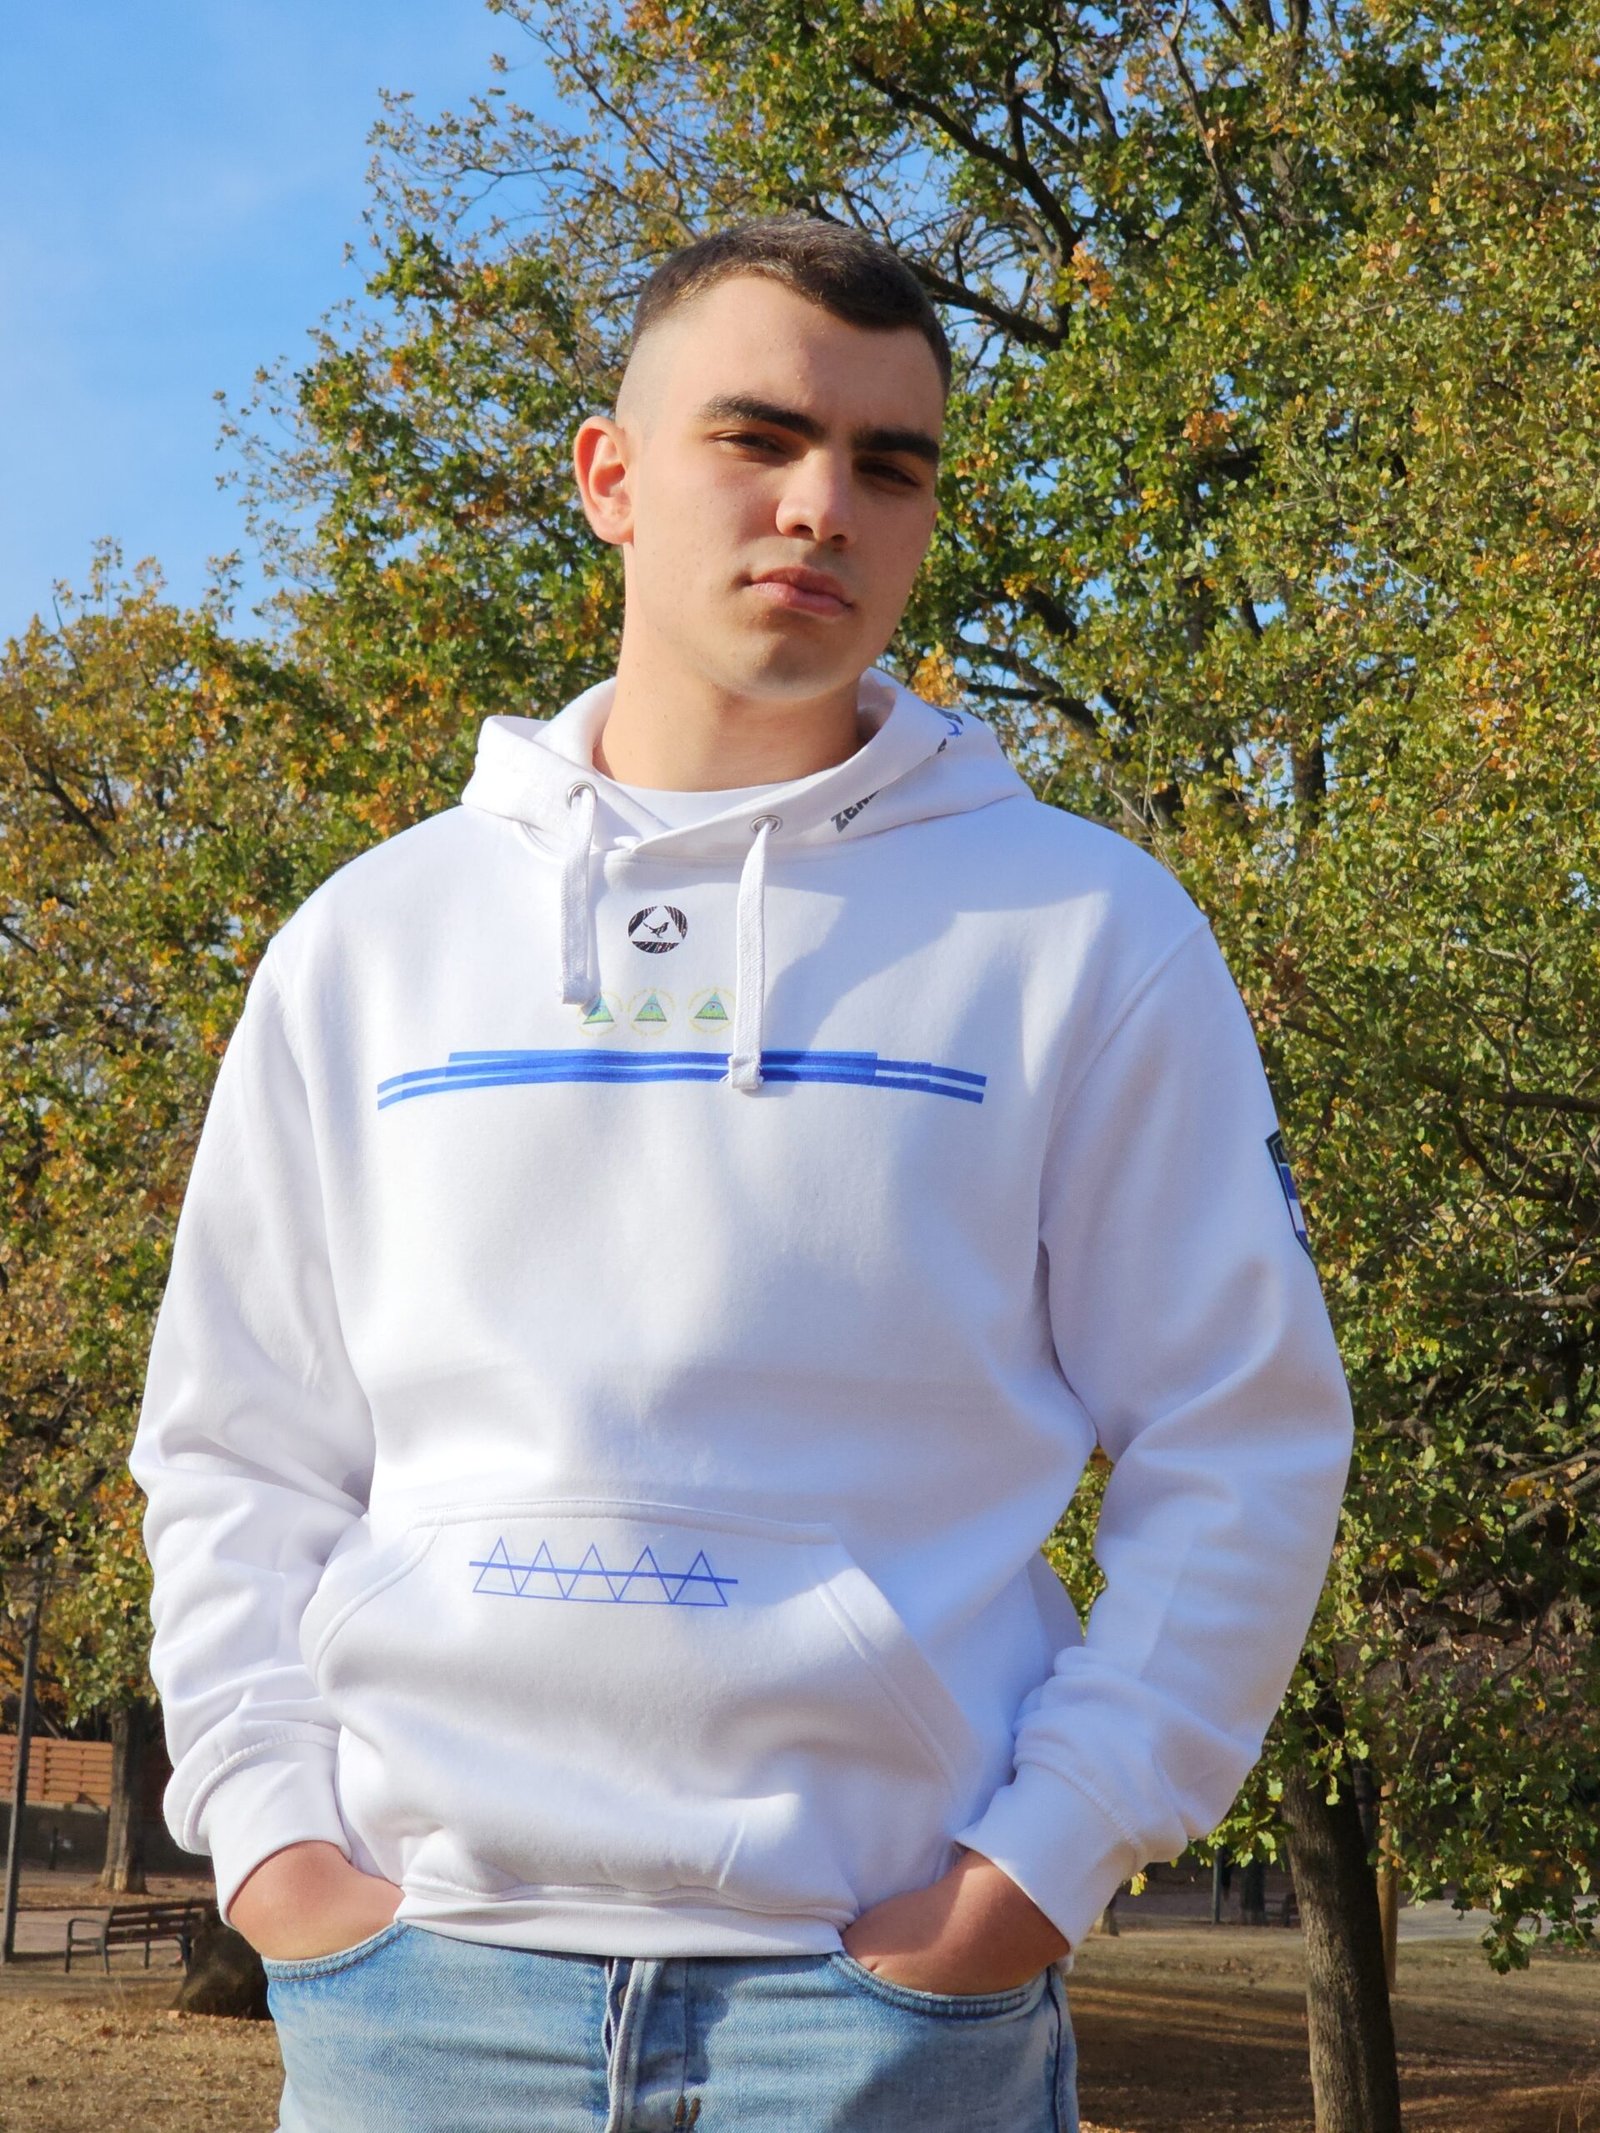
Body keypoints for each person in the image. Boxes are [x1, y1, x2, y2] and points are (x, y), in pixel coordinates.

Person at [128, 215, 1354, 2133]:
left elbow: (1243, 1435)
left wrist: (1037, 1868)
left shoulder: (1085, 934)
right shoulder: (372, 941)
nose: (821, 506)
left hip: (877, 2018)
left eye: (889, 463)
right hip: (421, 1999)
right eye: (759, 438)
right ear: (610, 477)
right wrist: (276, 1843)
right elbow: (237, 1449)